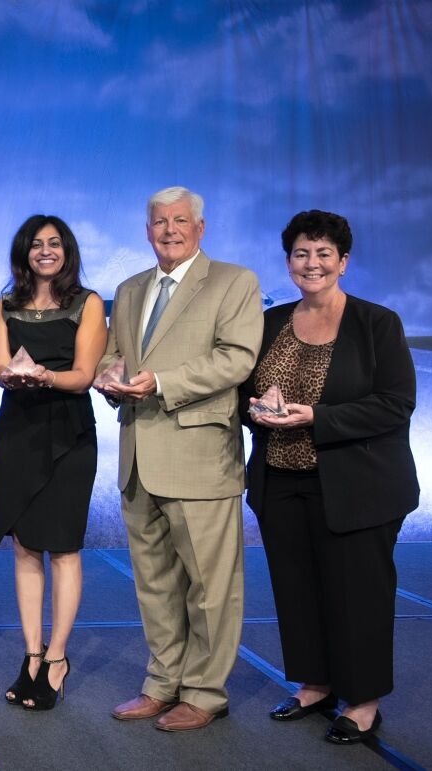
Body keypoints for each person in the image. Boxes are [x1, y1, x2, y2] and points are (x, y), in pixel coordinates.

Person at [241, 210, 418, 745]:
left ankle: (362, 701)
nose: (311, 263)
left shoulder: (376, 323)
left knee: (359, 594)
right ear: (288, 261)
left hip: (357, 487)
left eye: (323, 253)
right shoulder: (271, 322)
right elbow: (244, 386)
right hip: (280, 479)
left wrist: (317, 416)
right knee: (296, 589)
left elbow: (396, 404)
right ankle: (314, 685)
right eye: (301, 253)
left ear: (343, 261)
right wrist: (255, 407)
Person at [95, 186, 262, 732]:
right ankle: (162, 683)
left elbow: (236, 358)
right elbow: (116, 355)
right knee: (155, 583)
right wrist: (110, 377)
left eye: (181, 220)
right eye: (160, 221)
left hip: (199, 457)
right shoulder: (129, 288)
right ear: (147, 230)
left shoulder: (234, 282)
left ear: (201, 227)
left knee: (211, 587)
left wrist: (163, 382)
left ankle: (205, 692)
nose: (169, 229)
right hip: (138, 455)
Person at [0, 215, 107, 711]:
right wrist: (12, 375)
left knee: (63, 549)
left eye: (54, 243)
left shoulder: (88, 303)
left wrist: (43, 376)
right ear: (24, 252)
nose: (45, 251)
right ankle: (31, 653)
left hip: (68, 435)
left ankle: (58, 658)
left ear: (67, 250)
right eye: (36, 244)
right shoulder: (4, 305)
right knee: (25, 548)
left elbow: (82, 377)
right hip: (17, 434)